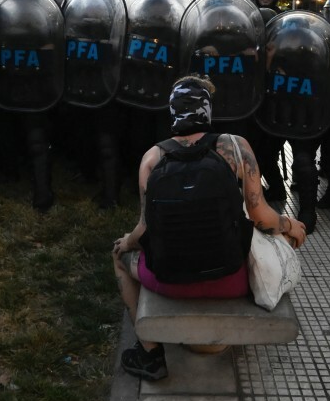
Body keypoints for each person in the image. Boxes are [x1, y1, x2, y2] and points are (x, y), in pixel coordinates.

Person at [113, 75, 306, 381]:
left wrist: (126, 243)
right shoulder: (236, 147)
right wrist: (291, 224)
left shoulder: (152, 158)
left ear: (173, 113)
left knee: (119, 260)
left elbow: (144, 230)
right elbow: (261, 217)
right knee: (270, 233)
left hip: (170, 281)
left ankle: (149, 354)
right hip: (232, 279)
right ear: (207, 110)